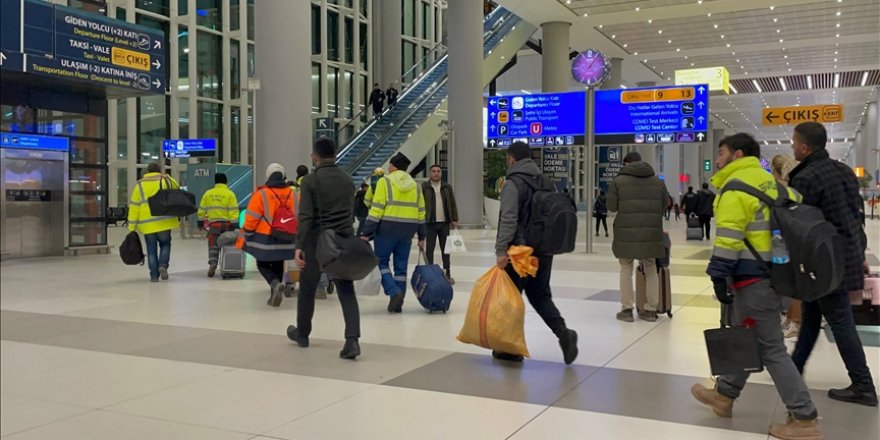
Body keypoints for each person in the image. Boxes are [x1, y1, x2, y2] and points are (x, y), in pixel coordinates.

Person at [691, 133, 822, 439]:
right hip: (780, 278)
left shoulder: (735, 190)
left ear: (737, 155)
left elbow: (728, 238)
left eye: (721, 153)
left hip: (753, 281)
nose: (718, 159)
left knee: (770, 348)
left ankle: (804, 418)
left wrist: (718, 274)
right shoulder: (774, 185)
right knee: (747, 337)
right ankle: (724, 395)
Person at [788, 122, 878, 407]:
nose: (792, 146)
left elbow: (801, 227)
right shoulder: (844, 172)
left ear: (804, 146)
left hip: (824, 262)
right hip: (846, 254)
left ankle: (863, 385)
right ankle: (794, 369)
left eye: (794, 142)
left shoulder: (805, 177)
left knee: (840, 321)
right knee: (813, 314)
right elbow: (855, 217)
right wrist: (861, 252)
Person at [493, 141, 578, 365]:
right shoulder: (546, 181)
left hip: (520, 252)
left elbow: (509, 219)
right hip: (543, 248)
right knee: (540, 295)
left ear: (511, 159)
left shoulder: (513, 183)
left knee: (512, 298)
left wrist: (501, 250)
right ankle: (564, 333)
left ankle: (511, 349)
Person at [286, 138, 362, 360]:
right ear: (335, 155)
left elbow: (306, 216)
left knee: (308, 288)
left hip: (316, 241)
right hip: (342, 240)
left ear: (315, 157)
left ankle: (302, 334)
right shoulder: (348, 180)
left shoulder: (310, 181)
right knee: (346, 289)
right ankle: (352, 340)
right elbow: (350, 214)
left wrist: (299, 246)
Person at [607, 152, 669, 322]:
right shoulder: (658, 182)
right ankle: (650, 310)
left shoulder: (618, 181)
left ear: (626, 164)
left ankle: (627, 309)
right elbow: (665, 204)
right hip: (651, 231)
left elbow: (611, 207)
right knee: (650, 268)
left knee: (625, 268)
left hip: (625, 232)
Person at [361, 153, 426, 313]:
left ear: (394, 166)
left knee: (380, 262)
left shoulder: (385, 181)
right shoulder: (416, 185)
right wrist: (422, 235)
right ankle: (399, 300)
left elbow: (376, 209)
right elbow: (421, 212)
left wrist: (367, 232)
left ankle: (393, 291)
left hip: (387, 230)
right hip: (408, 231)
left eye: (389, 165)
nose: (388, 168)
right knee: (401, 267)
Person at [237, 163, 297, 307]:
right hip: (287, 236)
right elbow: (299, 216)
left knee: (262, 262)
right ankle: (274, 293)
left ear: (268, 176)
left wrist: (248, 232)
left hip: (266, 237)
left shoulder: (262, 194)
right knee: (278, 261)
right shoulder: (293, 194)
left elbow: (251, 217)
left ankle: (274, 283)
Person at [127, 163, 180, 282]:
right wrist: (166, 177)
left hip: (147, 224)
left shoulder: (139, 185)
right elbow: (178, 191)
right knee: (165, 244)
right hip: (165, 221)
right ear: (159, 170)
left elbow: (134, 206)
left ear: (147, 171)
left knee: (151, 249)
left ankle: (154, 275)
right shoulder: (167, 180)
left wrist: (131, 226)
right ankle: (163, 265)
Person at [770, 155, 801, 339]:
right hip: (794, 241)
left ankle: (794, 321)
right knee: (794, 283)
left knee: (786, 283)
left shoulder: (776, 188)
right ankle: (791, 319)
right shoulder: (793, 188)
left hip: (779, 241)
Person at [421, 165, 459, 284]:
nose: (436, 173)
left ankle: (447, 273)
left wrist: (454, 218)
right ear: (430, 173)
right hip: (429, 223)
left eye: (438, 171)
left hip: (444, 223)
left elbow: (452, 203)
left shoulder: (447, 187)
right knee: (429, 250)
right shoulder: (424, 187)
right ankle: (429, 275)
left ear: (441, 173)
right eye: (434, 171)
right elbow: (420, 204)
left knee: (446, 250)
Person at [197, 173, 239, 277]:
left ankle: (213, 263)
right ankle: (228, 265)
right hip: (227, 225)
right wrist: (235, 226)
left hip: (214, 225)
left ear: (215, 182)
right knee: (227, 244)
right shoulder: (230, 194)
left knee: (213, 244)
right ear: (225, 182)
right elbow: (234, 211)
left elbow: (202, 209)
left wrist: (200, 221)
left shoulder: (208, 193)